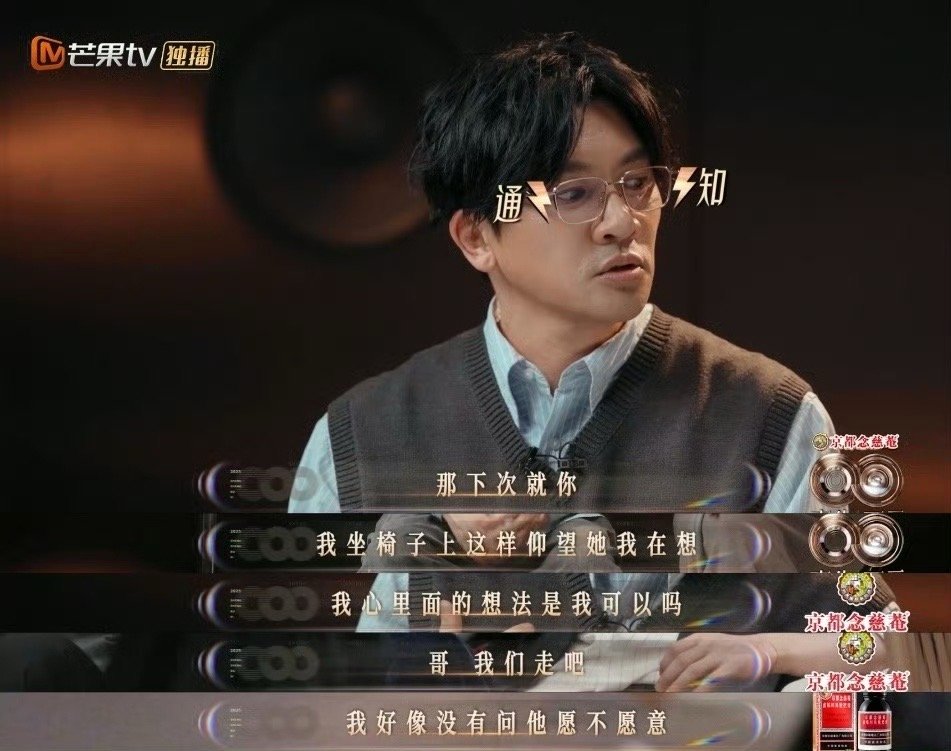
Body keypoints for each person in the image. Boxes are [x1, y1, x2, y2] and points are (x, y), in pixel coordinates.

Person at [289, 31, 845, 691]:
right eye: (573, 193)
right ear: (476, 236)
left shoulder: (767, 413)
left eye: (636, 183)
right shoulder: (360, 435)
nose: (622, 221)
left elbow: (870, 658)